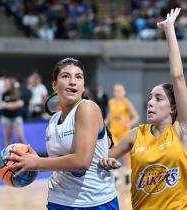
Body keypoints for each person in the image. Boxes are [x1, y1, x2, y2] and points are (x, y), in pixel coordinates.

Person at [99, 8, 187, 210]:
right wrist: (106, 162)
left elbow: (177, 77)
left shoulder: (182, 131)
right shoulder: (136, 135)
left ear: (174, 108)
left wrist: (169, 30)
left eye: (158, 98)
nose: (150, 102)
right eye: (150, 98)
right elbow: (104, 158)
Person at [7, 58, 119, 210]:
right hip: (59, 200)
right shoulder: (53, 119)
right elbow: (60, 161)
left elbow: (82, 162)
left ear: (83, 86)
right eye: (66, 76)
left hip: (94, 203)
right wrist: (37, 162)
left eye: (78, 77)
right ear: (54, 85)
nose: (73, 82)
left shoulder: (88, 108)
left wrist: (38, 163)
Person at [105, 83, 139, 184]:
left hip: (124, 132)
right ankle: (116, 176)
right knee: (113, 154)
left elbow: (136, 117)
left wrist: (129, 124)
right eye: (116, 90)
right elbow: (109, 117)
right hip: (114, 132)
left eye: (120, 90)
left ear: (124, 92)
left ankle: (128, 174)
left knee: (126, 155)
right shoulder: (111, 102)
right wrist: (103, 124)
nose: (118, 92)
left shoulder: (126, 102)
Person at [0, 78, 26, 147]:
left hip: (16, 117)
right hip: (6, 117)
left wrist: (8, 105)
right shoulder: (4, 94)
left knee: (20, 137)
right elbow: (3, 105)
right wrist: (14, 104)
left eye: (7, 84)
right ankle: (6, 156)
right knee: (7, 139)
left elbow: (20, 104)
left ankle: (27, 154)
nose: (5, 85)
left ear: (11, 85)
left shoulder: (18, 93)